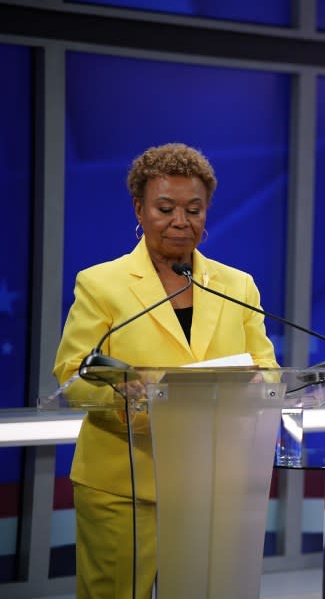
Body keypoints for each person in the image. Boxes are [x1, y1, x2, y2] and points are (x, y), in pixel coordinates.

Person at [53, 142, 278, 599]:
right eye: (165, 208)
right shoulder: (102, 284)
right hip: (123, 485)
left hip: (212, 486)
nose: (181, 221)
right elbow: (72, 375)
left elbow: (269, 368)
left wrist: (259, 385)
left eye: (194, 209)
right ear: (139, 208)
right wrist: (123, 397)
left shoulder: (237, 285)